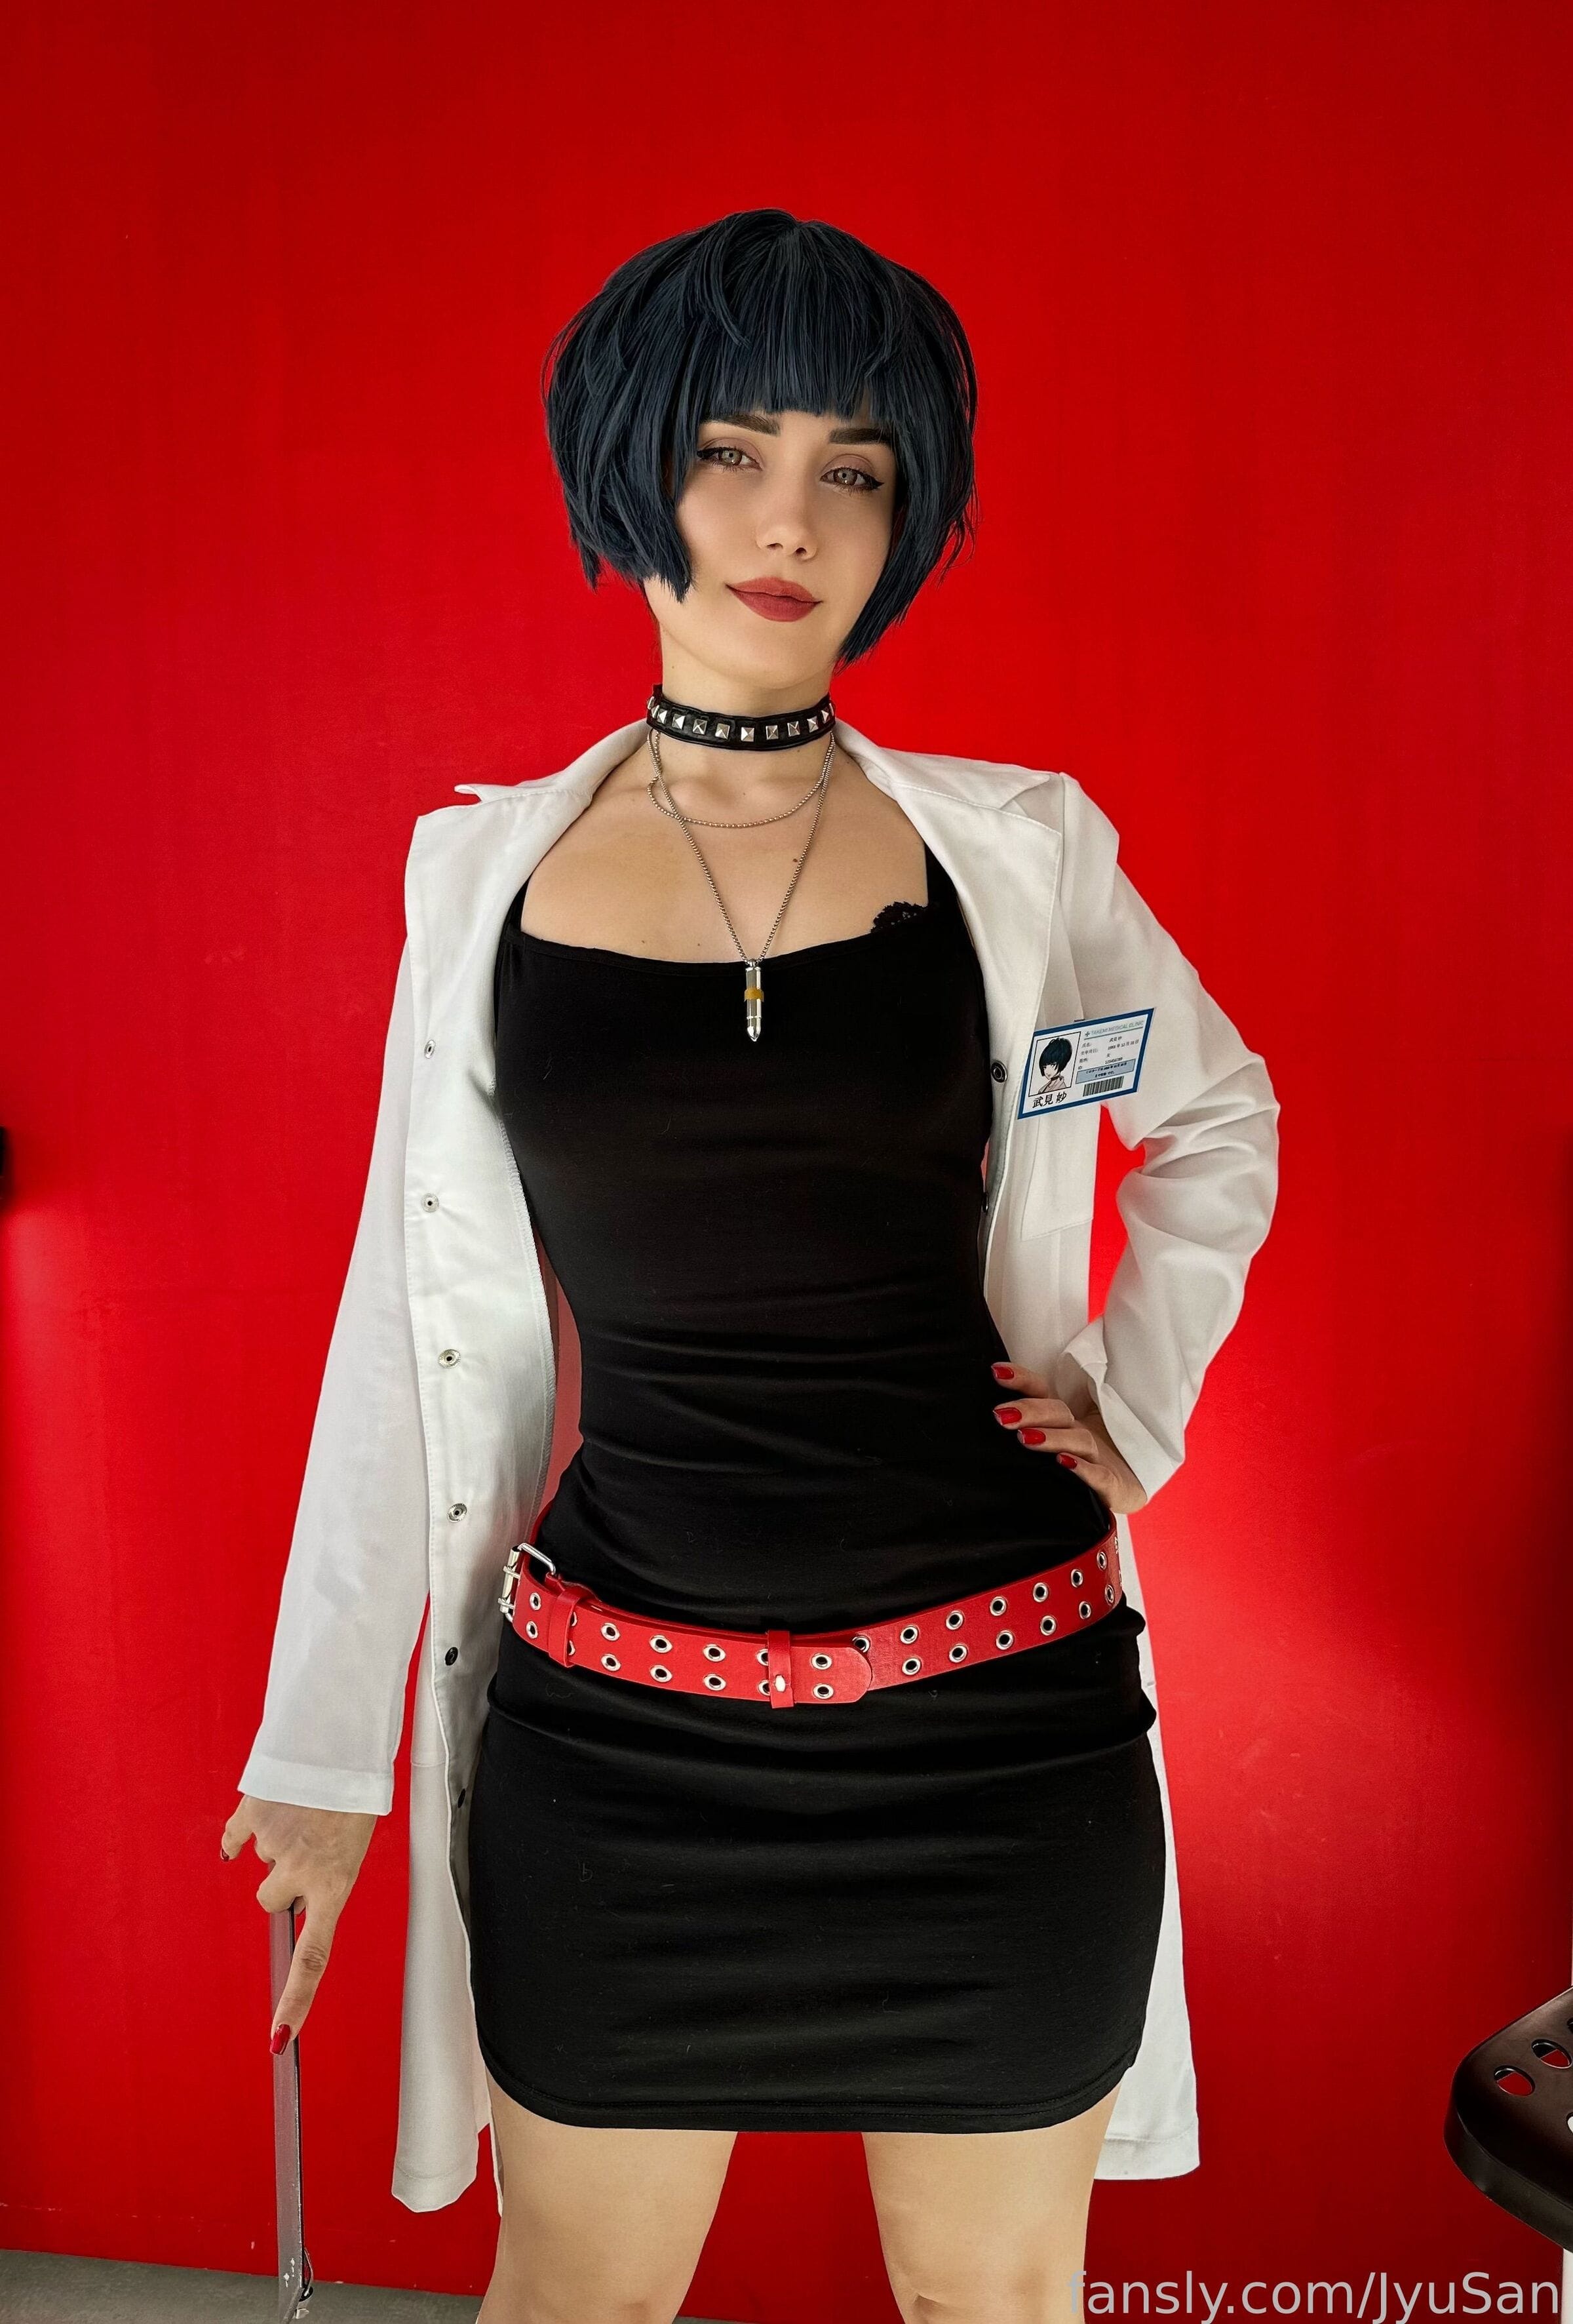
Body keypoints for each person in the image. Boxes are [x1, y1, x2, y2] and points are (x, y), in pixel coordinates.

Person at [222, 209, 1279, 2324]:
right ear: (633, 465)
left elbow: (1216, 1121)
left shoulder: (1021, 858)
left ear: (910, 513)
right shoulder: (483, 877)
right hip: (623, 1754)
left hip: (1003, 1736)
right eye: (731, 451)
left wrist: (1134, 1402)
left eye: (854, 468)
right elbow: (401, 1330)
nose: (790, 520)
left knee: (993, 2303)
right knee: (578, 2299)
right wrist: (321, 1764)